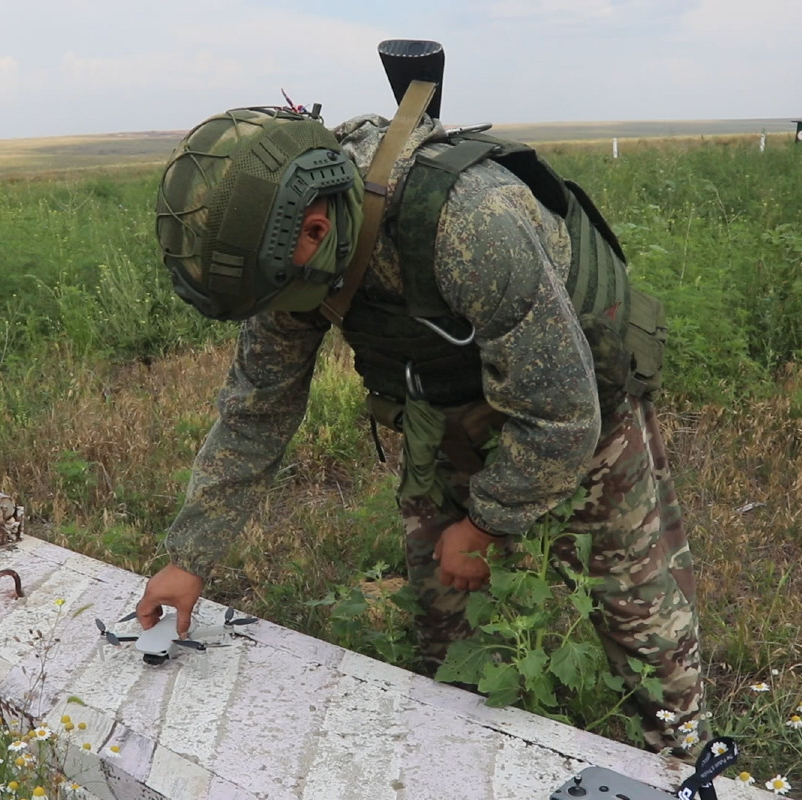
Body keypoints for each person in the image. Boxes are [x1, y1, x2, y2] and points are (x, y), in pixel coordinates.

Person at [139, 100, 706, 753]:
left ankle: (690, 764)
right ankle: (458, 762)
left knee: (637, 610)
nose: (275, 310)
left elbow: (561, 412)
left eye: (277, 288)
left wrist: (486, 523)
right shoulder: (286, 243)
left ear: (318, 229)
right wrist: (190, 557)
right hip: (441, 410)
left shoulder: (474, 223)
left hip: (580, 401)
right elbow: (257, 409)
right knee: (444, 625)